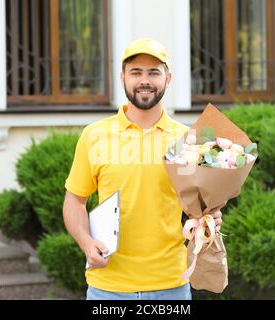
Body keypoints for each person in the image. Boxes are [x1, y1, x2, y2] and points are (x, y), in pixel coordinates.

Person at [63, 38, 223, 300]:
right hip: (108, 288)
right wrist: (85, 241)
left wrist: (210, 219)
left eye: (153, 72)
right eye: (136, 72)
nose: (144, 80)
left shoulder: (188, 140)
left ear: (168, 79)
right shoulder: (94, 136)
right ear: (122, 77)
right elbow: (74, 202)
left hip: (171, 285)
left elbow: (201, 209)